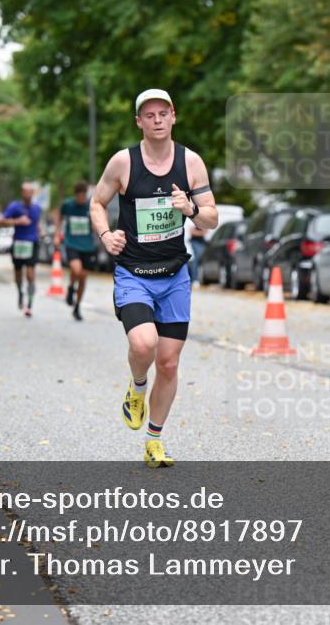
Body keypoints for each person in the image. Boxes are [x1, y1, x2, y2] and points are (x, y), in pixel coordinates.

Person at [90, 89, 218, 468]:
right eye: (150, 115)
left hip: (175, 275)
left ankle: (154, 440)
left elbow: (211, 218)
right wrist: (104, 235)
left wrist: (191, 208)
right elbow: (97, 203)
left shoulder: (191, 162)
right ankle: (136, 387)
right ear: (139, 122)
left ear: (174, 116)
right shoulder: (123, 163)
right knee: (143, 345)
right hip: (134, 273)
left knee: (169, 363)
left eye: (164, 113)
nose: (158, 119)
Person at [1, 182, 43, 317]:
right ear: (22, 192)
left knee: (30, 274)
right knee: (18, 274)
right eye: (26, 191)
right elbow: (3, 220)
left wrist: (40, 231)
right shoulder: (14, 206)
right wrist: (18, 221)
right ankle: (20, 292)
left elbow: (37, 224)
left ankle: (29, 304)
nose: (28, 194)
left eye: (31, 192)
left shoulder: (37, 208)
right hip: (18, 243)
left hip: (32, 243)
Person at [55, 181, 96, 321]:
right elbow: (59, 218)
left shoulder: (90, 205)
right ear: (75, 195)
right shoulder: (68, 205)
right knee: (76, 269)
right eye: (79, 196)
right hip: (71, 243)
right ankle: (71, 287)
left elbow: (98, 220)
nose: (81, 198)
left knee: (83, 278)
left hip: (88, 246)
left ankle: (77, 306)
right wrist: (56, 235)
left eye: (83, 196)